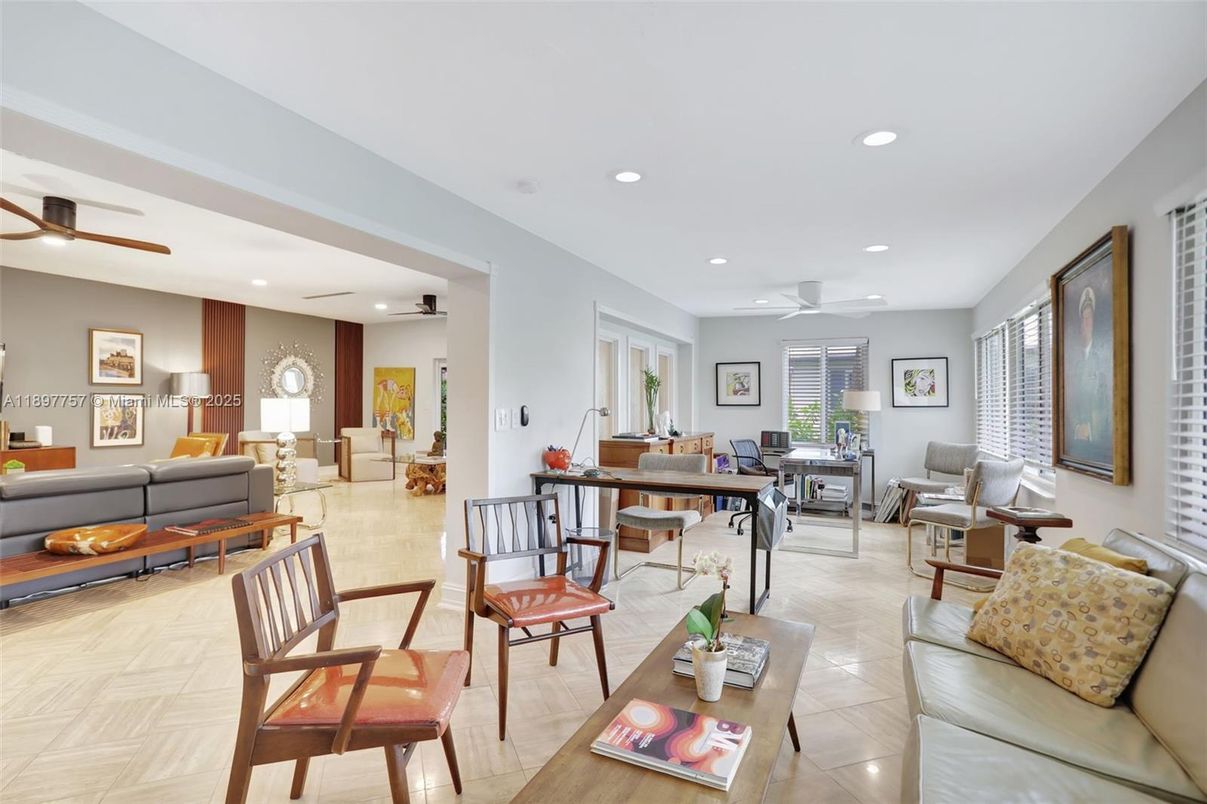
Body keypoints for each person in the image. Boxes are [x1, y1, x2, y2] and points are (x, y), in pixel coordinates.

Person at [1068, 285, 1111, 463]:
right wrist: (1077, 427)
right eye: (1083, 319)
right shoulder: (1075, 361)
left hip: (1097, 443)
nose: (1085, 324)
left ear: (1094, 323)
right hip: (1077, 442)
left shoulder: (1102, 358)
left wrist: (1090, 428)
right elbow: (1070, 401)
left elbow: (1106, 402)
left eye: (1089, 318)